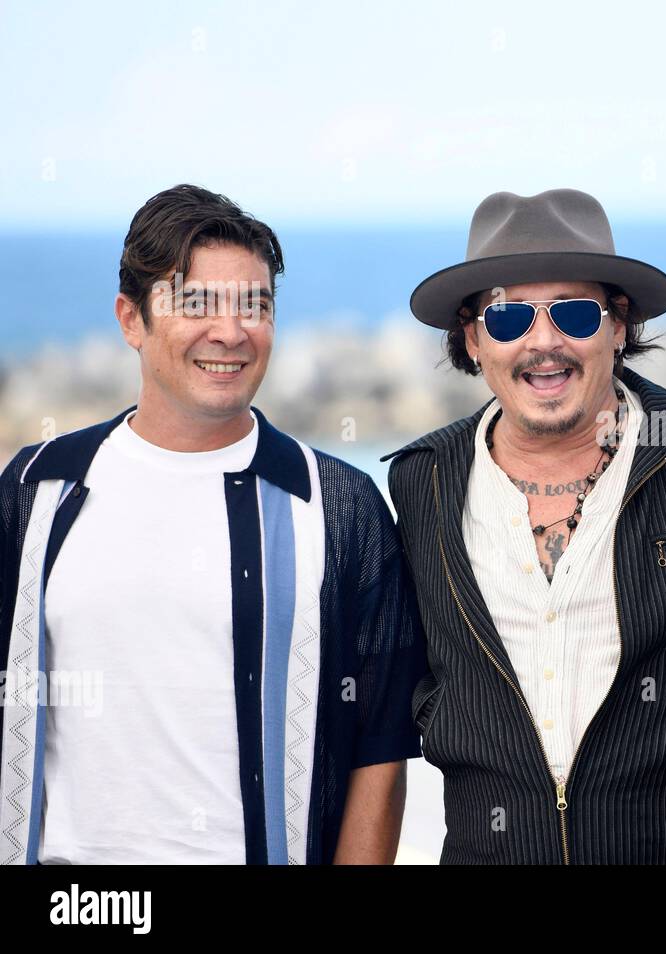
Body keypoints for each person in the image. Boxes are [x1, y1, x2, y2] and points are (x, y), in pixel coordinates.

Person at [0, 185, 426, 864]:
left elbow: (380, 750)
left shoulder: (339, 507)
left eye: (255, 306)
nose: (230, 333)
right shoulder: (37, 490)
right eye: (196, 303)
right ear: (132, 320)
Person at [384, 188, 666, 863]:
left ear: (618, 326)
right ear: (473, 338)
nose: (543, 342)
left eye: (572, 312)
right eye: (508, 319)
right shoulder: (423, 481)